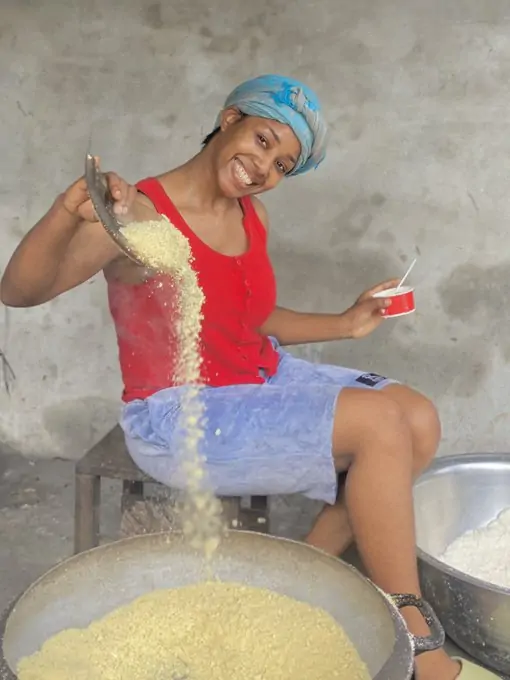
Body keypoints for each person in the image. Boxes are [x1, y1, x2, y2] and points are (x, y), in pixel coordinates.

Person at [1, 75, 495, 680]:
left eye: (282, 164)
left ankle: (299, 580)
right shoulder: (139, 217)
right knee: (379, 425)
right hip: (177, 412)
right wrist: (63, 212)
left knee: (417, 417)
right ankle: (419, 642)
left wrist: (346, 323)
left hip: (261, 377)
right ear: (230, 118)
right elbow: (19, 291)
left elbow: (251, 318)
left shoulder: (250, 214)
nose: (263, 166)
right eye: (262, 140)